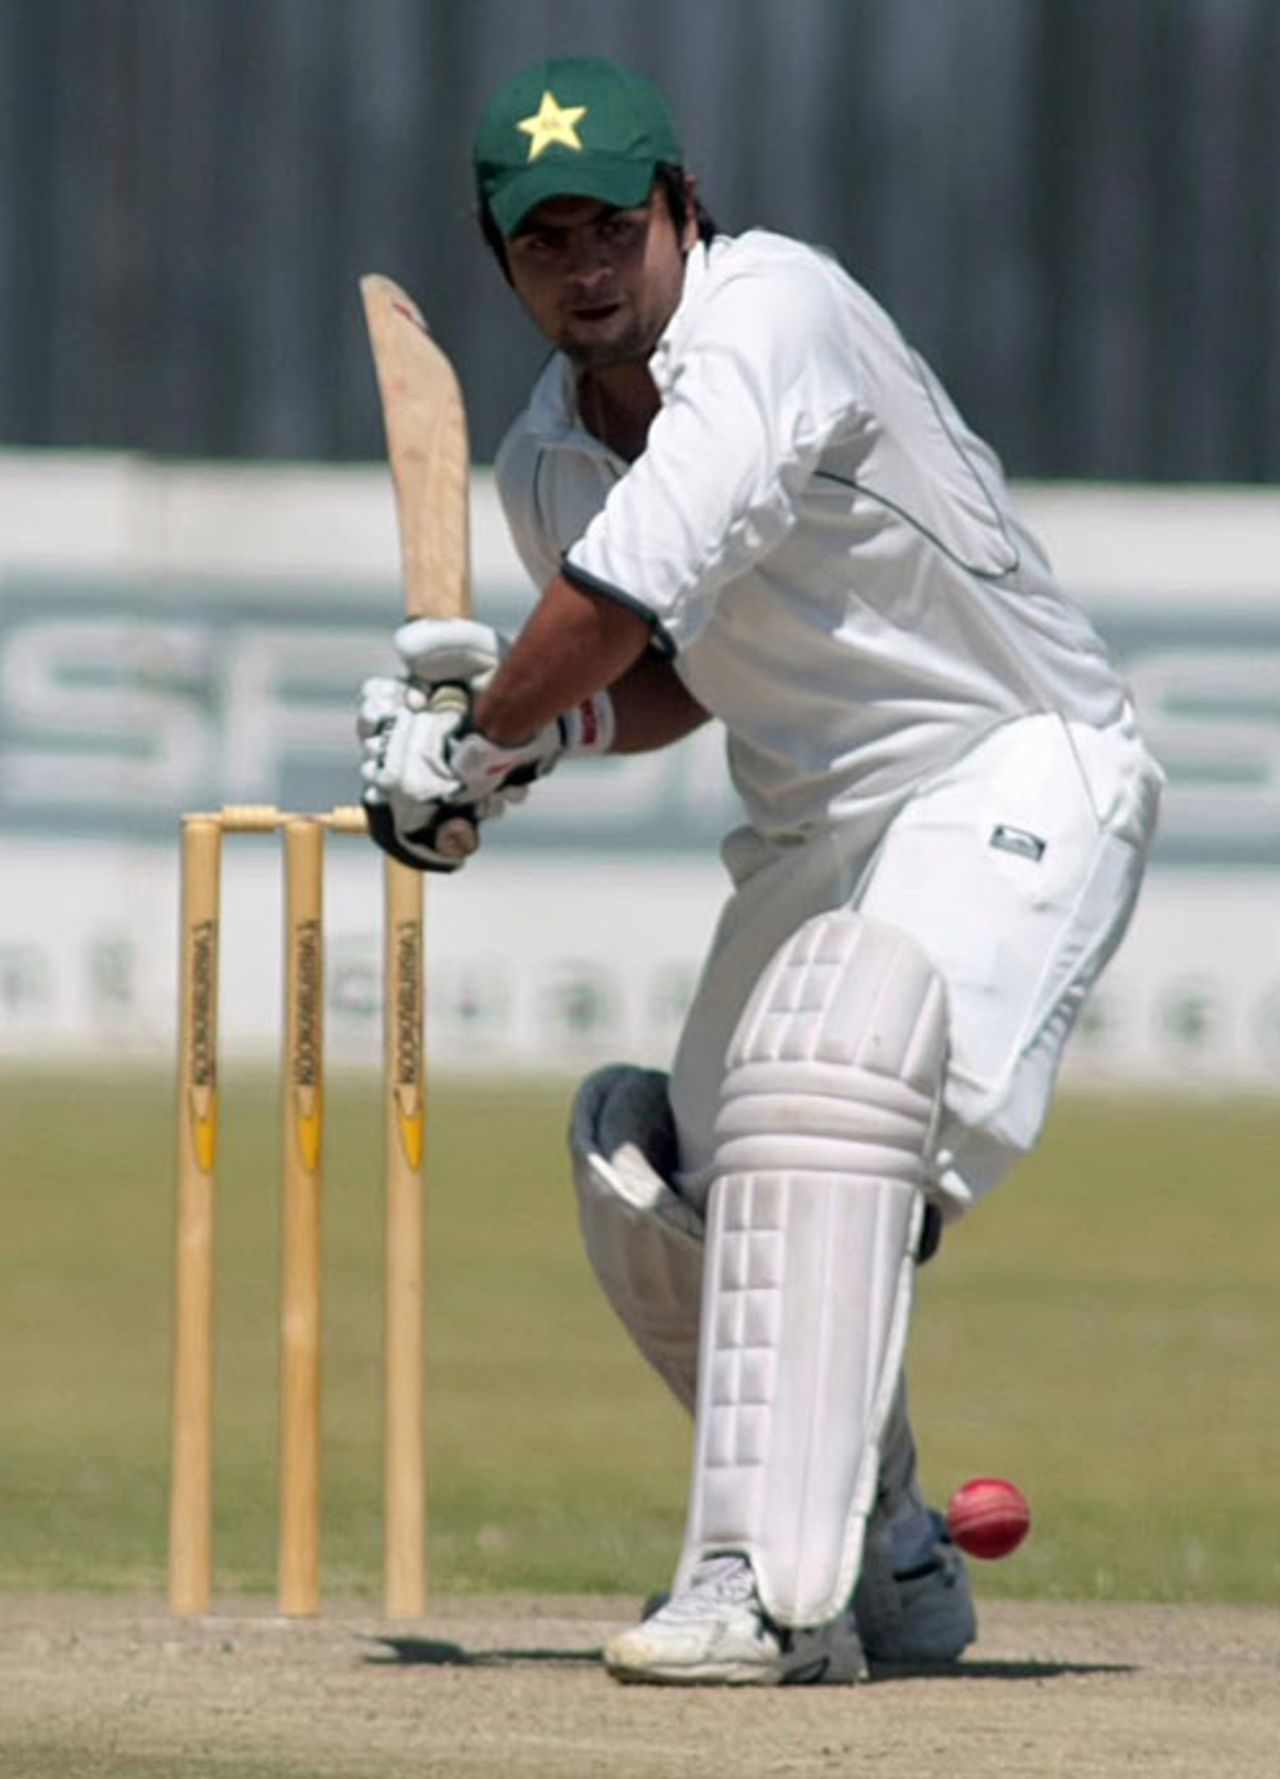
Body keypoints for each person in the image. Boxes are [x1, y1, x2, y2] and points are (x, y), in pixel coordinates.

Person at [357, 55, 1163, 1686]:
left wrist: (466, 744)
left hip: (1014, 759)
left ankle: (759, 1589)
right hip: (819, 829)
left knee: (826, 1071)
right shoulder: (542, 464)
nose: (586, 267)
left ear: (681, 211)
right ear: (503, 256)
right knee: (655, 1174)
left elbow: (624, 595)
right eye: (545, 242)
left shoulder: (772, 313)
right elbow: (665, 671)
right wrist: (521, 751)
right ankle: (887, 1553)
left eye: (613, 228)